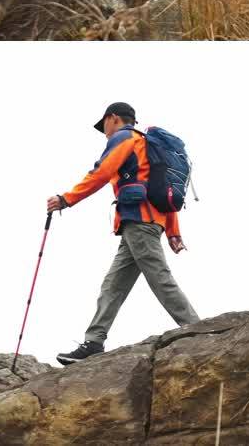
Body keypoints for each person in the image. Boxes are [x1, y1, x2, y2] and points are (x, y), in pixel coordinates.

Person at [47, 102, 199, 365]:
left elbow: (102, 172)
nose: (104, 132)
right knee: (113, 286)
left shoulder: (125, 138)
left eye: (103, 125)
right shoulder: (145, 145)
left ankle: (196, 329)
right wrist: (173, 231)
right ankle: (94, 341)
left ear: (113, 118)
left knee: (160, 279)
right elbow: (160, 188)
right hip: (141, 222)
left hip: (139, 222)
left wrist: (66, 199)